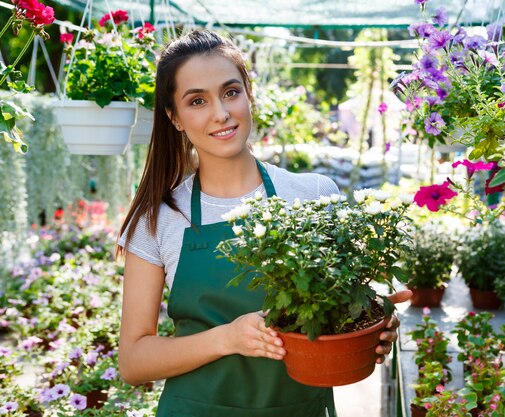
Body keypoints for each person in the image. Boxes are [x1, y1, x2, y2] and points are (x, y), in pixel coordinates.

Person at [116, 30, 411, 416]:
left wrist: (371, 328)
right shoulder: (161, 218)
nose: (221, 113)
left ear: (249, 93)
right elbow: (134, 361)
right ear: (174, 117)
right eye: (197, 101)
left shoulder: (315, 195)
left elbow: (341, 319)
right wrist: (228, 338)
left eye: (231, 92)